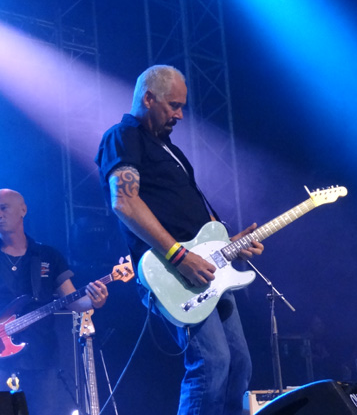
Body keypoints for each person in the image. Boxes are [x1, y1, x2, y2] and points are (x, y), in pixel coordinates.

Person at [94, 65, 264, 415]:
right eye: (173, 105)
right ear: (148, 98)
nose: (180, 114)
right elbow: (124, 201)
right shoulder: (122, 135)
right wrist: (178, 255)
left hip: (205, 268)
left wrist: (231, 246)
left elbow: (196, 224)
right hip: (169, 269)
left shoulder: (169, 149)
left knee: (239, 364)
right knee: (212, 362)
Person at [0, 188, 108, 415]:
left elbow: (73, 300)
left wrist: (94, 301)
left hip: (41, 356)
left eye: (3, 208)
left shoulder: (47, 255)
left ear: (23, 210)